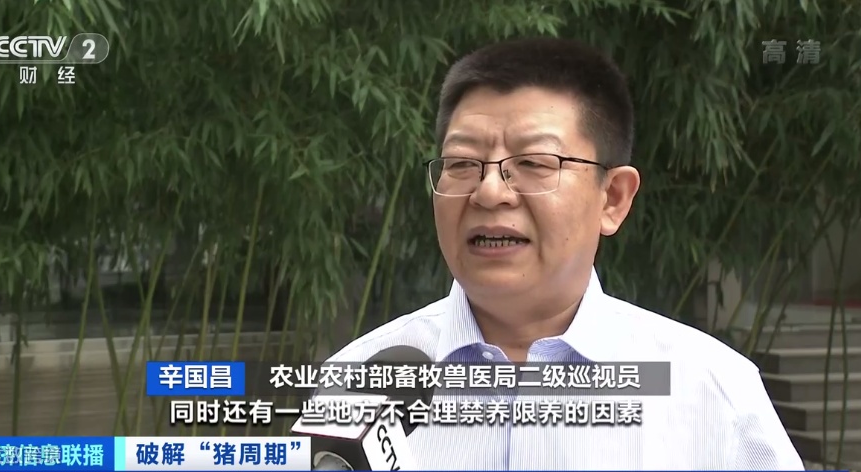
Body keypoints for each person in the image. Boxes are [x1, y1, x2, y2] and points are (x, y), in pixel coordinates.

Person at [325, 37, 804, 470]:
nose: (489, 192)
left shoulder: (715, 396)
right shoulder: (356, 384)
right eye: (462, 163)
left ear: (613, 198)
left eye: (534, 163)